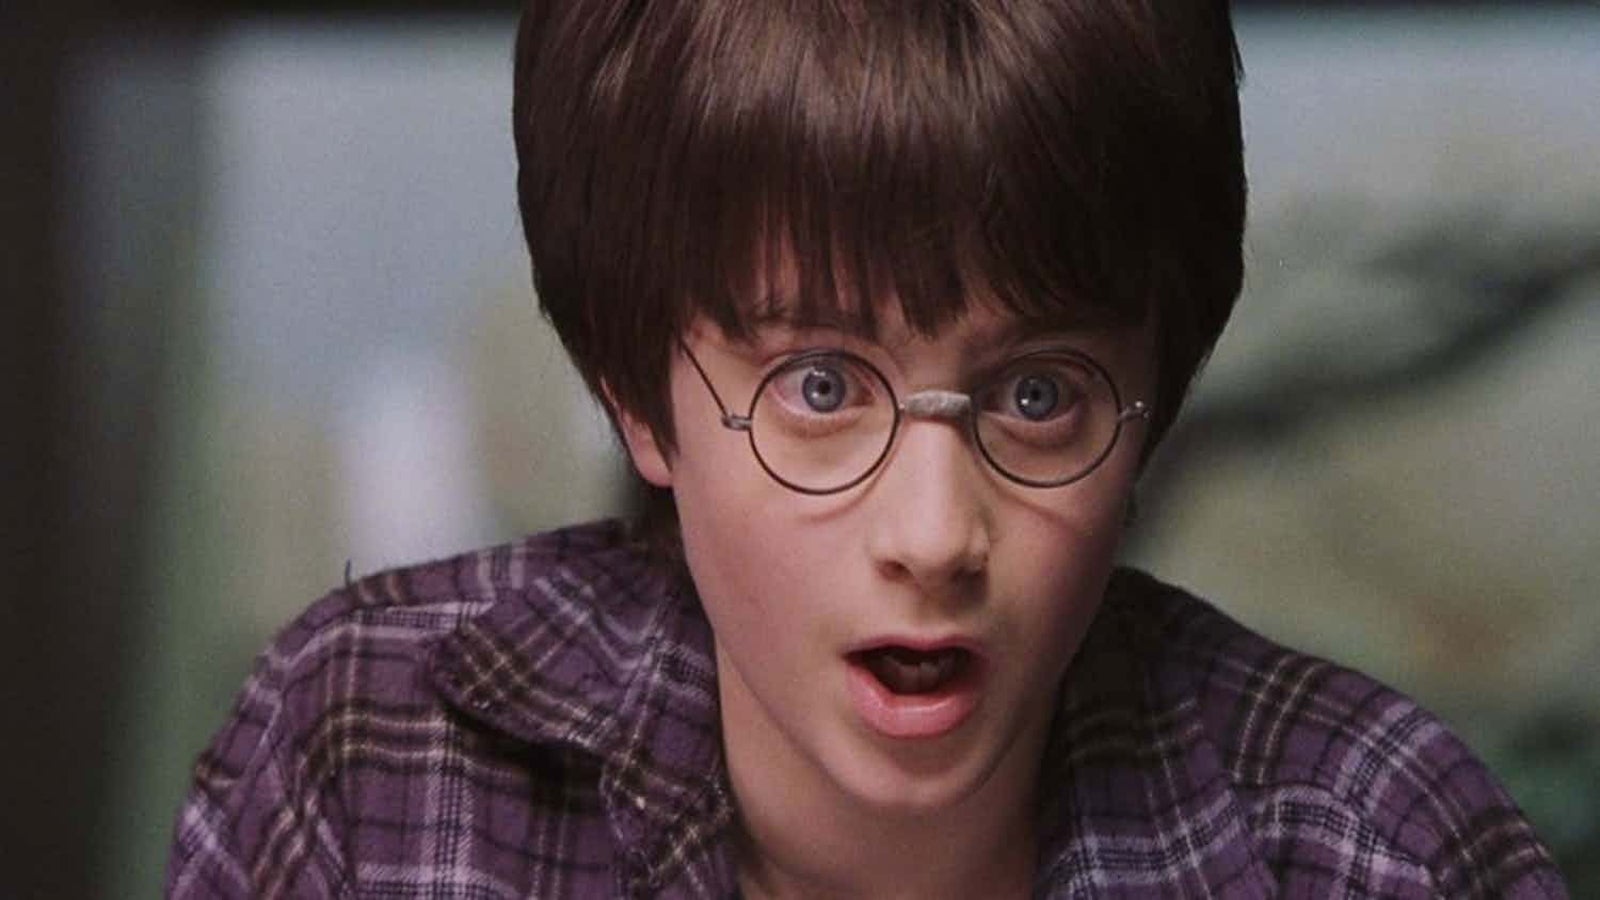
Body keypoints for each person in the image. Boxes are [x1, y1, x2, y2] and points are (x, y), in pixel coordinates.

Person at [167, 1, 1567, 897]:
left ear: (1156, 399)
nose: (935, 535)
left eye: (1038, 398)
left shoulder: (1375, 847)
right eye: (822, 387)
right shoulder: (373, 758)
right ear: (638, 398)